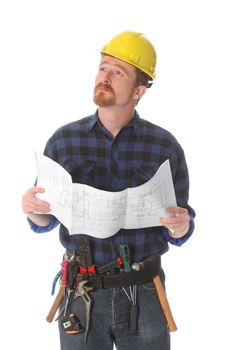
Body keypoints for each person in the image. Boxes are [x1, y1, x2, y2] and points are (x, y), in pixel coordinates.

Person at [22, 31, 195, 350]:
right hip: (81, 292)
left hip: (143, 292)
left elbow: (180, 225)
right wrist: (33, 207)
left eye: (118, 72)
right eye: (103, 67)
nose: (105, 76)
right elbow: (43, 220)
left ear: (139, 89)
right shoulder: (64, 141)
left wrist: (182, 224)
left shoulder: (164, 146)